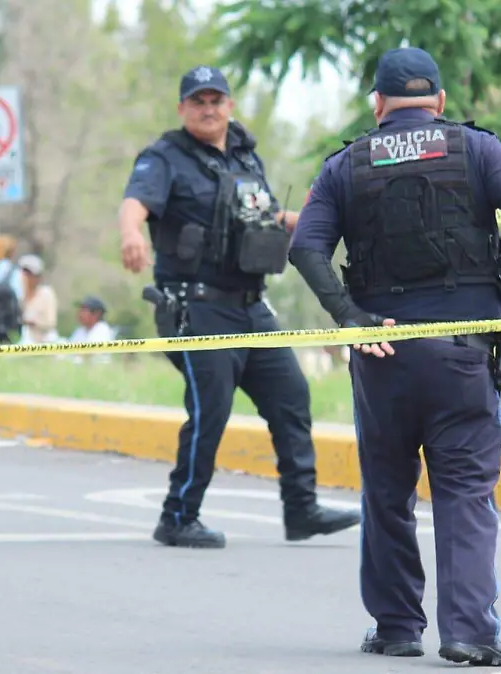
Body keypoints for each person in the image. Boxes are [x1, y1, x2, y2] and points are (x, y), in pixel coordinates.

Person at [287, 47, 501, 667]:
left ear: (378, 103)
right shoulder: (475, 148)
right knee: (466, 492)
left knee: (386, 491)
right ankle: (469, 632)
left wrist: (350, 318)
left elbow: (305, 248)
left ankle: (396, 628)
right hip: (462, 357)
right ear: (440, 101)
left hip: (382, 355)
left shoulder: (345, 164)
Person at [117, 64, 361, 549]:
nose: (208, 109)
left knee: (291, 395)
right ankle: (177, 516)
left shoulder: (246, 158)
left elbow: (264, 214)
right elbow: (135, 203)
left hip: (250, 307)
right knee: (212, 409)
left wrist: (318, 219)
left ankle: (301, 509)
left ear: (229, 105)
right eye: (198, 101)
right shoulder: (165, 157)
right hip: (196, 308)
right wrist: (130, 234)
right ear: (183, 108)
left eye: (216, 100)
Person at [17, 253, 59, 343]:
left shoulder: (46, 293)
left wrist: (33, 322)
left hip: (45, 341)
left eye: (29, 274)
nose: (26, 277)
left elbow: (51, 323)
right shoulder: (21, 296)